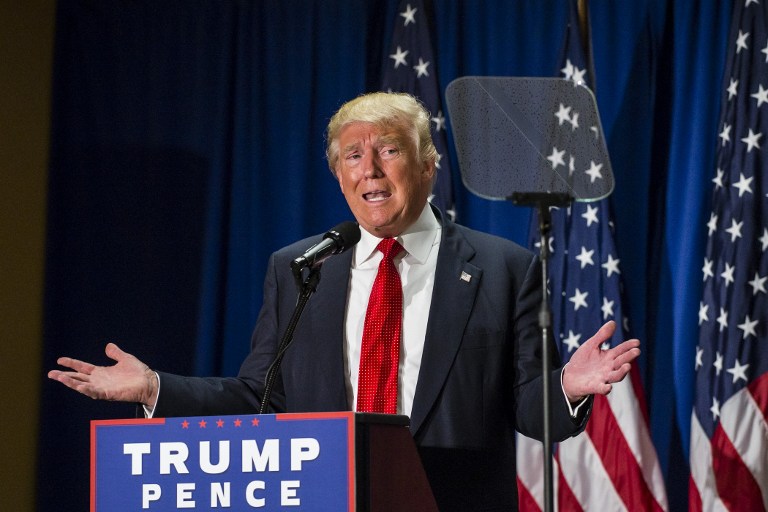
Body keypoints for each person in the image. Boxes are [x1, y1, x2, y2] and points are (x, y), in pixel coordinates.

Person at [49, 92, 640, 511]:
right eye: (352, 155)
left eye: (389, 149)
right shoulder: (301, 267)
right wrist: (155, 386)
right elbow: (261, 393)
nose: (370, 168)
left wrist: (566, 386)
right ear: (338, 176)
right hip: (324, 498)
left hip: (448, 501)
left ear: (428, 167)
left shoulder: (503, 267)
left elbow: (526, 406)